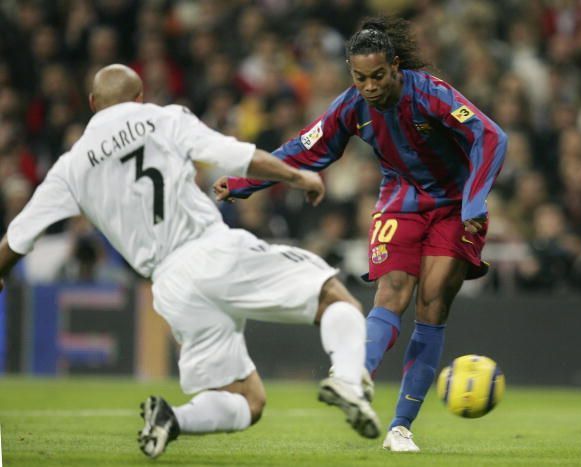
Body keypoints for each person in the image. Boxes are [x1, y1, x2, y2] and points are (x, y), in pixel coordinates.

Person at [0, 64, 381, 459]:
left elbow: (18, 236)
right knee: (334, 298)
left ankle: (172, 419)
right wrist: (298, 177)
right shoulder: (163, 119)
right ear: (139, 97)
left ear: (94, 103)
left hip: (169, 286)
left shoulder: (71, 166)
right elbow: (237, 155)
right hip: (210, 249)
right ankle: (350, 382)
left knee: (246, 400)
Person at [214, 16, 508, 453]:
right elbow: (302, 150)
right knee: (391, 290)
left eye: (376, 76)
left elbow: (490, 136)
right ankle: (353, 379)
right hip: (401, 200)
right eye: (359, 77)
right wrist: (244, 182)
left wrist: (474, 200)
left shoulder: (431, 93)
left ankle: (400, 428)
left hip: (454, 206)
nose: (369, 86)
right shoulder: (351, 106)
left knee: (430, 302)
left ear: (394, 66)